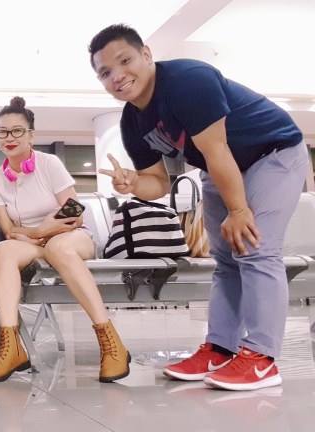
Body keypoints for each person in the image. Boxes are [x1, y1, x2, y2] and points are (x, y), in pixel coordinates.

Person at [89, 24, 308, 391]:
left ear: (146, 54)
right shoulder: (132, 121)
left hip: (272, 153)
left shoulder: (188, 80)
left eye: (124, 61)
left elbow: (217, 150)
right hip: (219, 167)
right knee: (225, 261)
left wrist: (239, 211)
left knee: (254, 249)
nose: (117, 76)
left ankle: (262, 358)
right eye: (105, 72)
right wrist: (133, 182)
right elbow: (158, 183)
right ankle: (220, 348)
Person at [0, 96, 130, 384]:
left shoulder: (49, 164)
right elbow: (9, 231)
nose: (9, 137)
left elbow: (74, 214)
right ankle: (11, 347)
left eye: (17, 131)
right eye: (3, 132)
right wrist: (39, 233)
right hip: (34, 243)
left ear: (31, 135)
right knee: (4, 250)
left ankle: (111, 343)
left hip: (71, 237)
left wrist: (39, 232)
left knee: (58, 247)